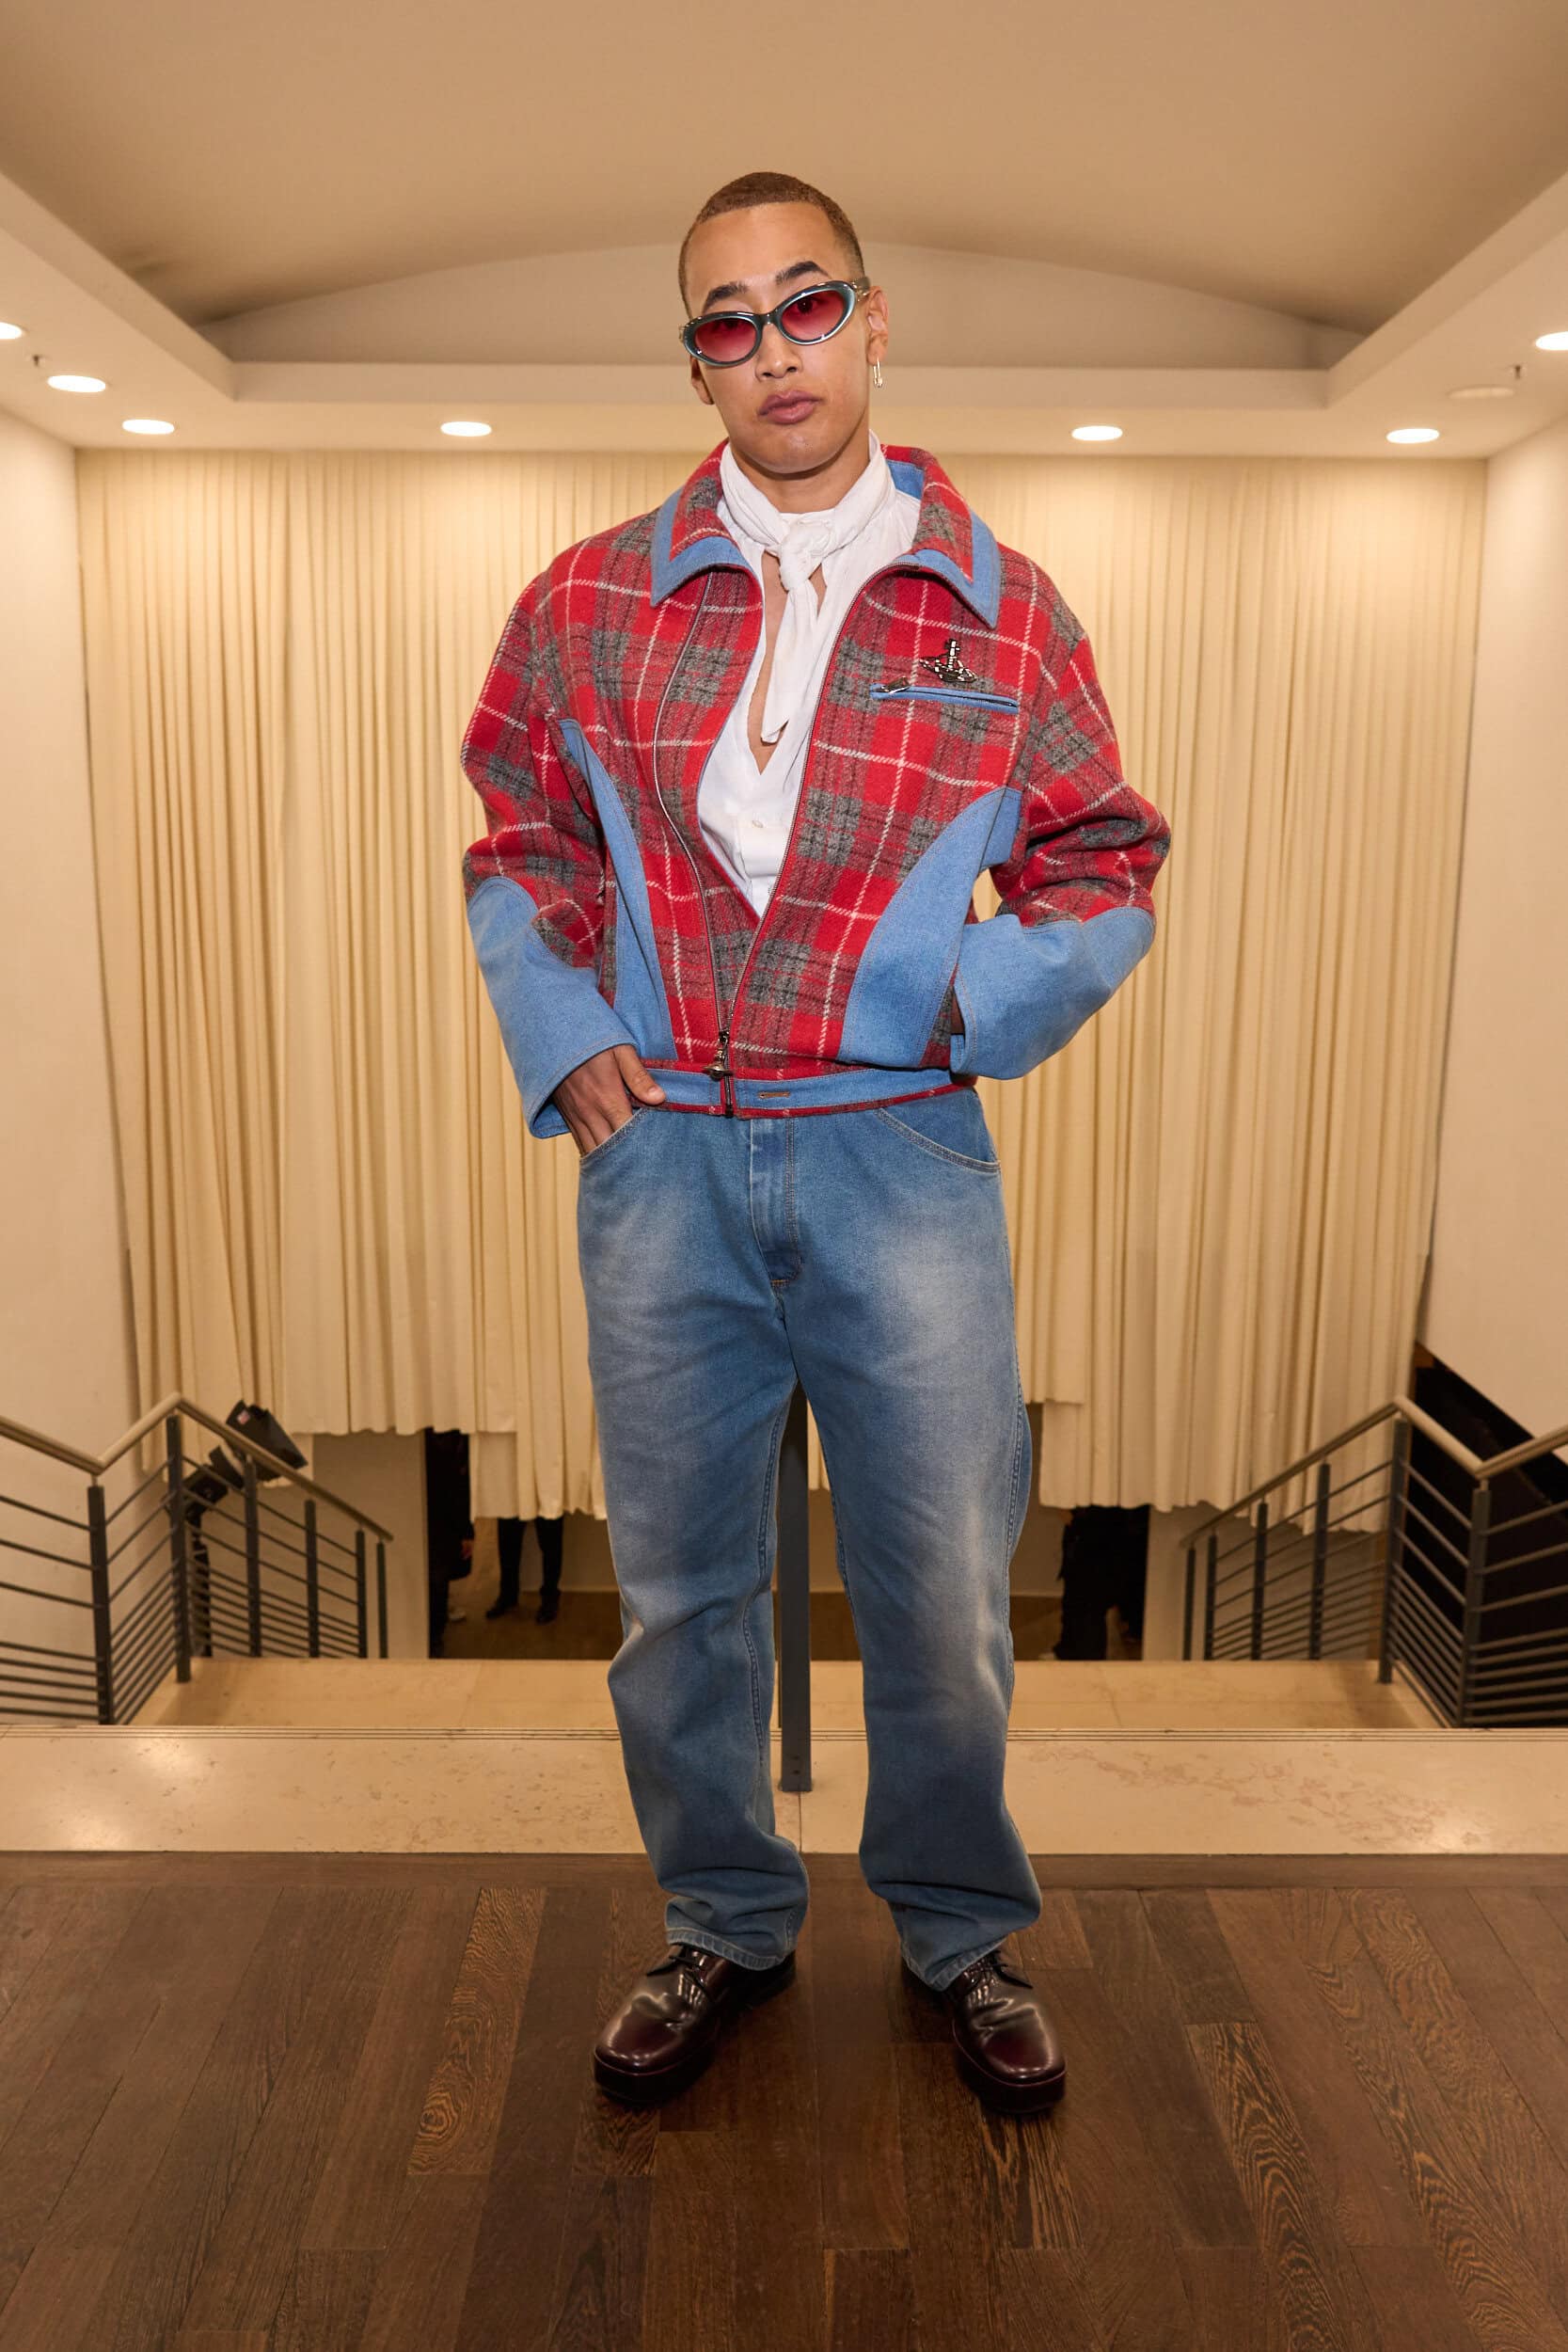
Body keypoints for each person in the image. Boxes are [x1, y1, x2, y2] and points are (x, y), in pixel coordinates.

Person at [459, 170, 1172, 2115]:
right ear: (695, 360)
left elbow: (1105, 865)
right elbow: (518, 830)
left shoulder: (1003, 608)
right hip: (666, 1164)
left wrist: (963, 1006)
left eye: (807, 303)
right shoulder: (587, 599)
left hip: (893, 1157)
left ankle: (959, 1929)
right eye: (729, 318)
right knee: (681, 1595)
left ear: (872, 321)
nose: (773, 348)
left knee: (941, 1585)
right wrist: (564, 1030)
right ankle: (722, 1919)